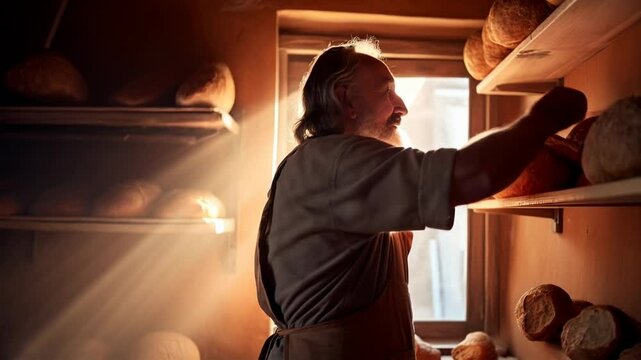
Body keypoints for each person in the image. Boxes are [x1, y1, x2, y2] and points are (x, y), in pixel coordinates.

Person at [255, 38, 586, 360]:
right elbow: (471, 175)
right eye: (387, 92)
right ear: (346, 100)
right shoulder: (338, 164)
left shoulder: (323, 165)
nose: (403, 107)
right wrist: (540, 120)